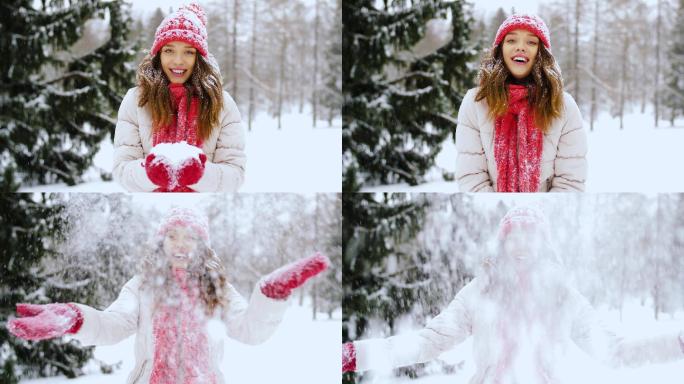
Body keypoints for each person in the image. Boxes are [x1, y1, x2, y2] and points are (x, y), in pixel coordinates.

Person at [342, 206, 684, 383]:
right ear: (503, 242)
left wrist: (678, 343)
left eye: (529, 235)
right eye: (513, 235)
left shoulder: (562, 294)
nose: (521, 242)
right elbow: (430, 340)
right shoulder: (480, 291)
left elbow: (613, 351)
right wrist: (354, 355)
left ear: (543, 243)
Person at [8, 208, 330, 384]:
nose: (180, 244)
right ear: (161, 243)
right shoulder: (142, 286)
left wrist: (269, 296)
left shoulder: (218, 289)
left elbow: (250, 330)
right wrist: (76, 318)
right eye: (172, 236)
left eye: (190, 238)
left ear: (202, 246)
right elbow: (112, 324)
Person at [113, 2, 245, 192]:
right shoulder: (136, 100)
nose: (178, 61)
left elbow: (235, 173)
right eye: (169, 50)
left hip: (203, 212)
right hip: (149, 212)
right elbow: (122, 169)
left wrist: (200, 174)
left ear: (199, 58)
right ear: (158, 54)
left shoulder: (222, 103)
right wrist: (150, 173)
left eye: (188, 52)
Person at [455, 14, 587, 192]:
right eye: (511, 40)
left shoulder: (563, 105)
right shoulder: (475, 103)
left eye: (531, 42)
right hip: (494, 214)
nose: (520, 47)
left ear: (542, 53)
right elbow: (471, 178)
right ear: (500, 49)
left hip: (544, 214)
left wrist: (538, 216)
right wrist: (498, 214)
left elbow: (570, 182)